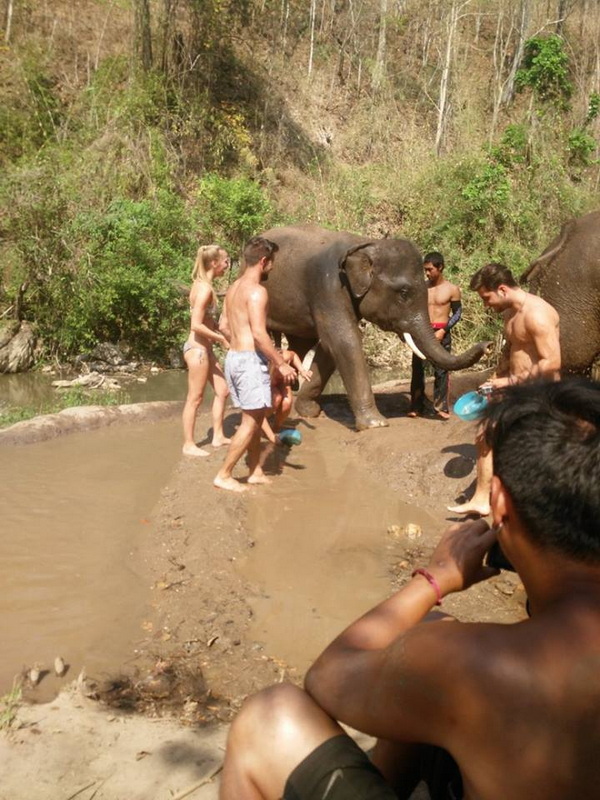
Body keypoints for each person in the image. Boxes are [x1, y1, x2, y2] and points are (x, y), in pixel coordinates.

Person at [220, 379, 600, 800]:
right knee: (429, 634)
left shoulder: (471, 663)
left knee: (269, 717)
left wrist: (436, 577)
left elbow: (327, 678)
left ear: (499, 503)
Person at [448, 262, 560, 516]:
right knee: (486, 436)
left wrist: (509, 383)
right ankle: (484, 499)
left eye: (487, 298)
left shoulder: (537, 314)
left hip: (540, 394)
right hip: (518, 390)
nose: (486, 305)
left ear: (501, 289)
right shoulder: (511, 314)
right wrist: (497, 378)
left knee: (529, 447)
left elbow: (552, 361)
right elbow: (514, 353)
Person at [213, 237, 296, 492]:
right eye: (272, 263)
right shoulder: (258, 292)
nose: (272, 268)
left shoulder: (234, 288)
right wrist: (280, 363)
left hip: (235, 359)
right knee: (250, 421)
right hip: (249, 362)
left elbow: (224, 326)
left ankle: (254, 471)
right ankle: (224, 475)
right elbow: (260, 335)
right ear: (263, 261)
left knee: (256, 416)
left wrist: (237, 345)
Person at [182, 244, 231, 457]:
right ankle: (189, 444)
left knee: (223, 390)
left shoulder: (206, 286)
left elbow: (208, 321)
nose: (227, 265)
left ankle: (218, 436)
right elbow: (196, 324)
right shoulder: (202, 289)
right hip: (198, 351)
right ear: (213, 263)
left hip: (206, 349)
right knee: (195, 398)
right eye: (226, 261)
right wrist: (220, 339)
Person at [409, 252, 462, 420]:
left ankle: (441, 407)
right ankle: (416, 406)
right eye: (425, 270)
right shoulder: (422, 288)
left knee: (441, 370)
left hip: (441, 331)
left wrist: (443, 330)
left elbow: (457, 313)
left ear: (440, 267)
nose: (427, 273)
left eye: (430, 269)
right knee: (417, 370)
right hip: (422, 332)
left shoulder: (452, 289)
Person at [261, 348, 313, 445]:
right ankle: (261, 422)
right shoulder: (265, 361)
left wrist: (302, 370)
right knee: (276, 399)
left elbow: (293, 355)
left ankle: (276, 427)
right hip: (268, 383)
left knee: (287, 403)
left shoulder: (286, 356)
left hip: (282, 381)